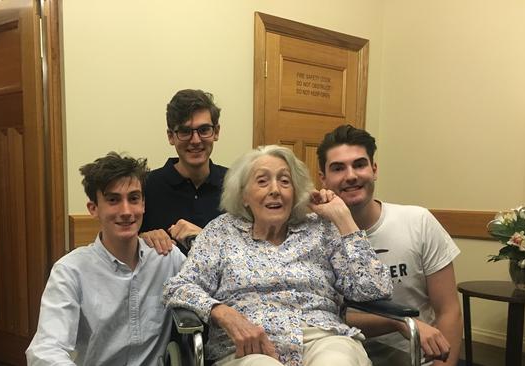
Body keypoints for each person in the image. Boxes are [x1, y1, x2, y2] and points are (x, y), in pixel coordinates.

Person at [163, 145, 392, 366]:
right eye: (262, 181)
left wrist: (343, 218)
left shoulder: (320, 229)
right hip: (247, 349)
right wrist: (223, 314)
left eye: (285, 181)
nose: (275, 190)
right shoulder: (221, 232)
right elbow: (179, 287)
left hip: (323, 338)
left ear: (295, 193)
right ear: (244, 195)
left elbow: (373, 289)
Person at [316, 124, 462, 366]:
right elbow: (326, 317)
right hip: (339, 357)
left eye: (359, 164)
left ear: (374, 170)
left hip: (414, 358)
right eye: (338, 168)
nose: (351, 175)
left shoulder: (418, 222)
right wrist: (399, 322)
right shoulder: (313, 236)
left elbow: (449, 311)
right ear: (324, 178)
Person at [26, 152, 185, 365]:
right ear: (93, 209)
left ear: (144, 204)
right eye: (113, 200)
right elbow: (45, 351)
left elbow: (214, 287)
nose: (127, 211)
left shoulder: (166, 258)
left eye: (134, 198)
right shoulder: (70, 271)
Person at [140, 89, 227, 255]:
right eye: (185, 131)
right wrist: (142, 240)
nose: (195, 140)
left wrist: (204, 238)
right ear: (171, 136)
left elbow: (250, 252)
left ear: (216, 132)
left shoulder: (237, 186)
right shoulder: (145, 186)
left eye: (204, 130)